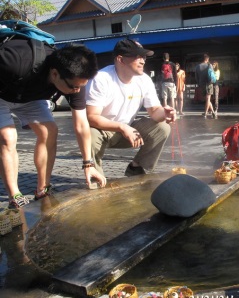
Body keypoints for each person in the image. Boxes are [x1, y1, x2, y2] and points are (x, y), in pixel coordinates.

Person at [0, 41, 107, 209]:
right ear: (55, 74)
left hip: (30, 98)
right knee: (7, 137)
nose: (77, 91)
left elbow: (81, 124)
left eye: (81, 87)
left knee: (50, 131)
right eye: (74, 87)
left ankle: (42, 189)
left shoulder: (76, 79)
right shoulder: (13, 61)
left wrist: (88, 164)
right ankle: (15, 196)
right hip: (2, 94)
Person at [85, 39, 177, 177]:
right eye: (137, 56)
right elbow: (91, 117)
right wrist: (122, 127)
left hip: (129, 130)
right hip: (103, 130)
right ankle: (95, 178)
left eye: (144, 57)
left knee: (162, 127)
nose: (143, 61)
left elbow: (154, 111)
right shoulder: (101, 79)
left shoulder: (144, 79)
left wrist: (165, 113)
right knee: (90, 134)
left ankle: (136, 168)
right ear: (120, 59)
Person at [195, 54, 214, 118]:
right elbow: (212, 75)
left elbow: (196, 77)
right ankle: (205, 113)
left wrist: (199, 83)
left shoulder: (197, 66)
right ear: (207, 59)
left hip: (202, 84)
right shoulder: (209, 65)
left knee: (207, 99)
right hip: (209, 83)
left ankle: (213, 112)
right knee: (208, 98)